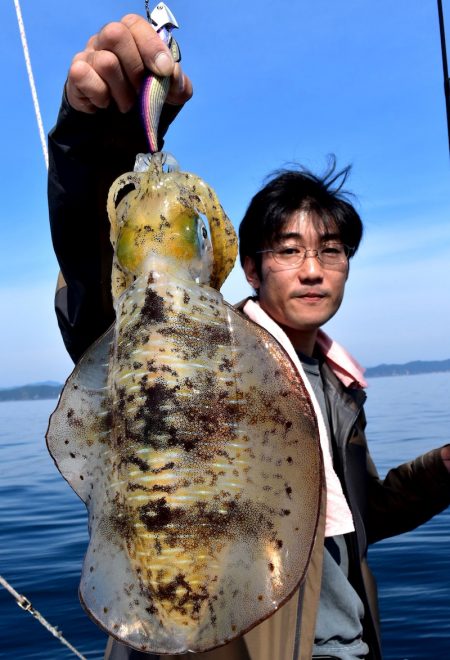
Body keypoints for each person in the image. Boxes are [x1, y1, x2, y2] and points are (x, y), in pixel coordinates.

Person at [47, 14, 450, 660]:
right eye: (291, 249)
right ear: (252, 264)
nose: (315, 268)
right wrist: (93, 151)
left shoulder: (337, 381)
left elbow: (356, 510)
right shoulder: (202, 350)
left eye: (333, 250)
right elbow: (104, 305)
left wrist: (443, 470)